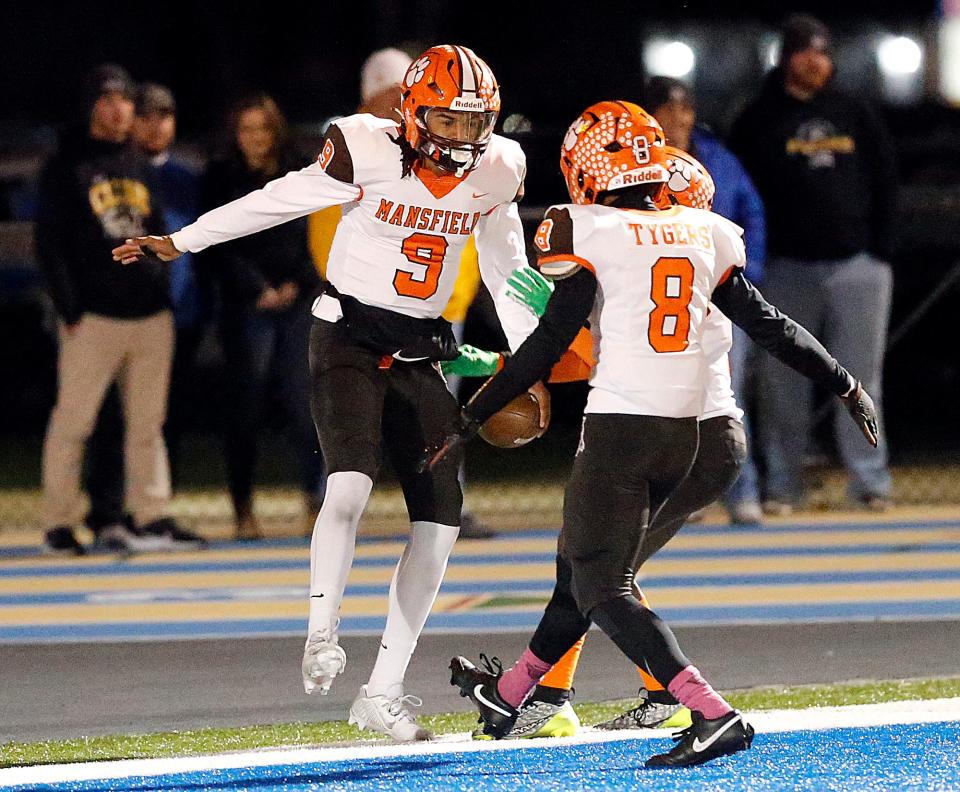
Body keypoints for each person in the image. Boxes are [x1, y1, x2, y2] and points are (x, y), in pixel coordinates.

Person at [427, 101, 878, 767]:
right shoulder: (704, 233)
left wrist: (470, 413)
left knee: (602, 583)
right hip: (689, 435)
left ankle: (706, 709)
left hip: (624, 431)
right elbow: (770, 324)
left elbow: (555, 344)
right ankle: (514, 693)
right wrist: (844, 381)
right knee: (585, 569)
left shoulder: (590, 227)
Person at [113, 44, 538, 741]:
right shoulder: (365, 146)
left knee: (441, 518)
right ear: (410, 111)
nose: (461, 138)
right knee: (348, 485)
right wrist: (185, 240)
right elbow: (275, 200)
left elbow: (508, 269)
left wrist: (535, 353)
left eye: (473, 123)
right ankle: (320, 634)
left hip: (419, 350)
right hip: (346, 335)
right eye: (447, 120)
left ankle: (384, 688)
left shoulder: (499, 168)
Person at [308, 46, 497, 539]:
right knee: (349, 410)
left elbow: (464, 234)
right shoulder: (356, 151)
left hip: (432, 316)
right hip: (364, 315)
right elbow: (327, 236)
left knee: (440, 418)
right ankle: (331, 506)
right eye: (392, 94)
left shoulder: (440, 150)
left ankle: (445, 504)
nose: (401, 103)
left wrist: (455, 297)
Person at [729, 14, 896, 513]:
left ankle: (869, 481)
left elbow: (886, 180)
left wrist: (879, 250)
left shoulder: (854, 112)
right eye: (807, 52)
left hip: (856, 266)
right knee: (784, 382)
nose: (816, 62)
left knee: (862, 379)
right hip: (785, 269)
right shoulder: (758, 117)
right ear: (786, 57)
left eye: (823, 53)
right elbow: (741, 194)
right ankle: (782, 484)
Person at [38, 64, 197, 555]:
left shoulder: (137, 162)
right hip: (94, 318)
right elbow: (51, 244)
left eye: (125, 100)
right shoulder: (68, 165)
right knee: (75, 423)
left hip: (150, 317)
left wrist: (164, 293)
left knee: (148, 424)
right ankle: (58, 523)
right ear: (92, 106)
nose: (119, 108)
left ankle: (150, 514)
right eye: (108, 99)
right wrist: (70, 309)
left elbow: (154, 232)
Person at [200, 93, 325, 540]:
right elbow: (216, 242)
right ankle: (243, 510)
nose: (256, 138)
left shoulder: (302, 172)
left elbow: (322, 235)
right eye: (247, 129)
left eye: (263, 128)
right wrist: (257, 288)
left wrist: (296, 283)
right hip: (246, 304)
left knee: (304, 403)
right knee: (245, 407)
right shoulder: (221, 177)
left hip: (298, 302)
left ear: (277, 131)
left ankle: (316, 503)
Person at [645, 76, 766, 525]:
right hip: (664, 298)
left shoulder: (718, 159)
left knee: (727, 398)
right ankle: (681, 496)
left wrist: (743, 274)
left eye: (686, 109)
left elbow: (751, 213)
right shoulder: (638, 165)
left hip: (718, 297)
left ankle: (743, 491)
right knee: (668, 401)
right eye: (670, 110)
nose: (679, 119)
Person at [131, 83, 210, 487]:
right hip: (130, 313)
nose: (156, 126)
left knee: (170, 411)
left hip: (182, 312)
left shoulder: (188, 178)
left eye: (164, 116)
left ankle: (159, 498)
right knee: (121, 416)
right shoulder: (120, 171)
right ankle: (111, 507)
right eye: (146, 116)